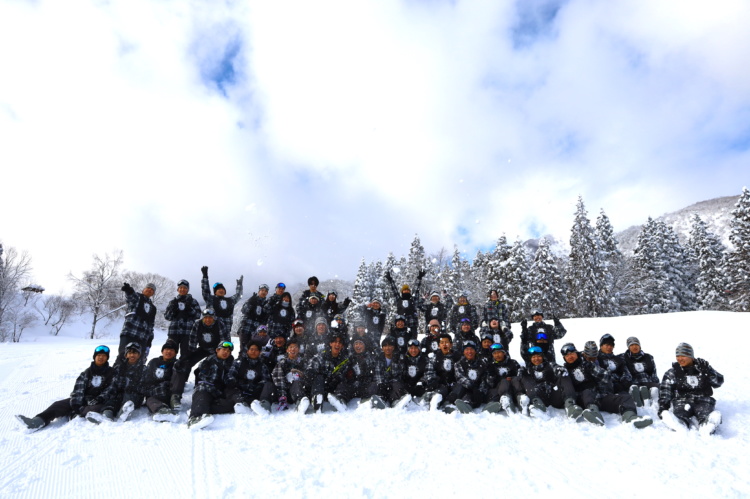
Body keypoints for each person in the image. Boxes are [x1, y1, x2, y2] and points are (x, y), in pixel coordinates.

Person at [16, 346, 117, 431]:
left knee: (95, 408)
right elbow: (78, 390)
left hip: (99, 401)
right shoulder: (86, 373)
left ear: (107, 358)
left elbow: (111, 389)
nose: (101, 358)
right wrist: (77, 405)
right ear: (94, 357)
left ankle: (83, 414)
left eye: (104, 356)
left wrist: (99, 398)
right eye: (99, 355)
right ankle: (36, 422)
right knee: (58, 405)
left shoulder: (111, 372)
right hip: (84, 398)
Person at [561, 343, 652, 428]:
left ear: (577, 354)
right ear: (564, 358)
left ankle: (630, 417)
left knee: (625, 398)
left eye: (572, 353)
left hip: (600, 397)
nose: (570, 357)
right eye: (567, 356)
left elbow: (605, 377)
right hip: (584, 400)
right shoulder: (565, 371)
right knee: (587, 392)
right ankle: (594, 414)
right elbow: (567, 390)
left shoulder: (587, 364)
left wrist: (592, 368)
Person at [170, 308, 230, 411]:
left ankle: (219, 391)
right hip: (202, 348)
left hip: (217, 350)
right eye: (206, 318)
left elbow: (226, 341)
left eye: (210, 318)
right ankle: (176, 394)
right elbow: (192, 341)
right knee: (183, 364)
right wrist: (187, 357)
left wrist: (221, 353)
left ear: (214, 318)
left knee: (219, 367)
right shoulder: (197, 324)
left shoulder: (220, 324)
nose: (208, 320)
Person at [658, 343, 724, 435]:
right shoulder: (673, 372)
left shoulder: (703, 367)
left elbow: (719, 382)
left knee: (704, 413)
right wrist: (663, 406)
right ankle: (680, 424)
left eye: (683, 356)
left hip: (703, 400)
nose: (680, 359)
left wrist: (708, 373)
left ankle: (707, 425)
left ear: (691, 356)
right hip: (682, 400)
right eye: (678, 356)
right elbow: (666, 390)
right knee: (681, 413)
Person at [516, 346, 581, 421]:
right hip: (538, 397)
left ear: (543, 357)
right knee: (525, 377)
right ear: (530, 359)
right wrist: (521, 374)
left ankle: (570, 406)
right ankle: (537, 405)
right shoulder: (527, 370)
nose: (536, 359)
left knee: (564, 375)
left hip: (554, 397)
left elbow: (555, 367)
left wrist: (559, 369)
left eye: (539, 356)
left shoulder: (550, 365)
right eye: (533, 357)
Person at [187, 341, 236, 430]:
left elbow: (230, 377)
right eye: (224, 350)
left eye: (228, 351)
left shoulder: (231, 363)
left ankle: (198, 407)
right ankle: (194, 418)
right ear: (217, 350)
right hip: (206, 388)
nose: (226, 352)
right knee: (203, 394)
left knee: (231, 405)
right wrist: (204, 368)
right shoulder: (209, 360)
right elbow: (200, 372)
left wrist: (231, 381)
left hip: (218, 392)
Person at [225, 342, 275, 416]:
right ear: (247, 351)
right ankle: (241, 404)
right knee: (229, 387)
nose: (253, 351)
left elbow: (266, 379)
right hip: (240, 390)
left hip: (255, 391)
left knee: (269, 385)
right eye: (251, 349)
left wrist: (256, 386)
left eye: (256, 350)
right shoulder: (238, 362)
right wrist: (235, 382)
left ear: (259, 352)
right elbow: (230, 375)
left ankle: (264, 407)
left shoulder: (263, 365)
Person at [308, 332, 352, 412]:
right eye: (335, 342)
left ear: (342, 346)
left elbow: (344, 373)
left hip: (334, 389)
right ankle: (317, 400)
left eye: (339, 343)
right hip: (321, 387)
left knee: (345, 382)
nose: (337, 344)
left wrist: (337, 378)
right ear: (330, 343)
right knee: (318, 377)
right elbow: (311, 366)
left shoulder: (345, 359)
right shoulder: (322, 355)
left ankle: (340, 401)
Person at [116, 282, 157, 363]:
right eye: (148, 288)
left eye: (152, 289)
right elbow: (131, 296)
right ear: (143, 290)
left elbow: (151, 325)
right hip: (129, 333)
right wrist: (129, 290)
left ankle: (136, 376)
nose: (150, 290)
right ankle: (117, 374)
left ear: (153, 293)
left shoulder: (153, 308)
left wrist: (149, 342)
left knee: (140, 360)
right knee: (123, 356)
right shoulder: (137, 298)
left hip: (143, 338)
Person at [142, 340, 180, 422]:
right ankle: (163, 410)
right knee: (150, 400)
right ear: (162, 351)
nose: (168, 351)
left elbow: (177, 381)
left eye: (172, 350)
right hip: (154, 392)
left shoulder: (177, 364)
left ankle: (167, 409)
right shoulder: (154, 362)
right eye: (166, 349)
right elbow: (147, 378)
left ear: (176, 353)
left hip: (168, 391)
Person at [385, 268, 426, 339]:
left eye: (407, 290)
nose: (406, 291)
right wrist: (390, 280)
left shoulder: (413, 299)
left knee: (412, 341)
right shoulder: (399, 299)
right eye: (404, 290)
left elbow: (416, 289)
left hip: (412, 324)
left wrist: (419, 278)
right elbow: (394, 290)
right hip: (401, 324)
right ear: (402, 292)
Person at [163, 279, 201, 355]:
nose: (182, 289)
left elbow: (198, 315)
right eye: (180, 288)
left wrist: (189, 309)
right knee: (170, 354)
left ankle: (184, 367)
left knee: (186, 355)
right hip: (174, 332)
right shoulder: (173, 302)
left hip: (188, 332)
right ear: (178, 289)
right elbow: (167, 317)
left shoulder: (193, 301)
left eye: (185, 288)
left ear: (188, 289)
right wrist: (173, 310)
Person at [200, 266, 243, 333]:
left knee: (227, 344)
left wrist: (239, 285)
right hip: (212, 330)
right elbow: (205, 291)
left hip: (226, 331)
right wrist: (205, 277)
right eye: (219, 289)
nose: (221, 290)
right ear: (215, 292)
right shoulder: (211, 299)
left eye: (222, 289)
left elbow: (238, 295)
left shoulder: (230, 300)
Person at [111, 342, 146, 422]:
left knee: (128, 397)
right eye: (129, 353)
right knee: (111, 398)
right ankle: (107, 414)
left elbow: (145, 387)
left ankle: (122, 414)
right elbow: (113, 383)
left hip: (134, 397)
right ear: (126, 355)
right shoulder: (119, 368)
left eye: (135, 353)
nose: (132, 355)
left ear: (139, 355)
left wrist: (134, 388)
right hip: (119, 395)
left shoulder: (143, 369)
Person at [449, 341, 488, 414]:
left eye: (471, 349)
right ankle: (453, 406)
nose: (469, 352)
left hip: (477, 390)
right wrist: (472, 387)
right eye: (467, 349)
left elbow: (484, 379)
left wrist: (480, 390)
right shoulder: (459, 363)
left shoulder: (482, 363)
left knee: (474, 395)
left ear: (475, 351)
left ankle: (468, 405)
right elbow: (460, 377)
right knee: (461, 388)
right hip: (464, 389)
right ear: (463, 352)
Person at [483, 343, 522, 416]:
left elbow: (520, 375)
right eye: (495, 353)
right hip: (499, 390)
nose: (497, 355)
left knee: (515, 380)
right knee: (503, 382)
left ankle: (520, 400)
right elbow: (490, 382)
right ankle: (503, 401)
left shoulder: (513, 363)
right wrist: (501, 379)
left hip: (514, 389)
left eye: (499, 352)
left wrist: (512, 378)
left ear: (504, 353)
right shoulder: (490, 365)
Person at [272, 339, 310, 413]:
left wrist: (301, 374)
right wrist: (283, 395)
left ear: (299, 350)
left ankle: (301, 403)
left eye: (295, 347)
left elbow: (308, 377)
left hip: (301, 391)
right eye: (291, 347)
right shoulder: (282, 363)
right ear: (287, 350)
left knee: (297, 383)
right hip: (287, 393)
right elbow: (278, 379)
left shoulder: (304, 362)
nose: (293, 349)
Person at [620, 336, 659, 407]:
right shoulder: (623, 357)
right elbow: (625, 373)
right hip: (634, 383)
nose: (634, 347)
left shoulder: (649, 357)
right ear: (628, 347)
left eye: (636, 344)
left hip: (648, 381)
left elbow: (654, 373)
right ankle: (639, 405)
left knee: (659, 387)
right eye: (631, 345)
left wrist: (656, 383)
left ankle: (656, 404)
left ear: (639, 346)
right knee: (635, 389)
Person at [400, 339, 438, 408]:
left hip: (420, 386)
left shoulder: (425, 359)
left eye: (416, 348)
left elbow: (428, 373)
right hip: (407, 385)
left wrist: (422, 381)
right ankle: (402, 400)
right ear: (408, 349)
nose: (413, 350)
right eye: (411, 348)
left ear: (419, 349)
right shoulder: (403, 359)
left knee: (434, 381)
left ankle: (427, 399)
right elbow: (400, 373)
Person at [372, 337, 407, 409]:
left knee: (397, 387)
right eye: (385, 346)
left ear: (393, 347)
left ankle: (394, 401)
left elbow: (399, 374)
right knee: (377, 386)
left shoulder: (398, 358)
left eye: (390, 346)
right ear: (382, 348)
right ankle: (381, 400)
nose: (387, 348)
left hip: (394, 382)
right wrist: (382, 383)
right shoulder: (379, 358)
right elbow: (378, 374)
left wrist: (391, 382)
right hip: (383, 382)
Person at [432, 333, 462, 411]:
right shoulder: (435, 357)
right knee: (440, 391)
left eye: (446, 342)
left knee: (459, 388)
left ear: (451, 344)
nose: (444, 344)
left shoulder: (457, 356)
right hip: (441, 383)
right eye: (442, 343)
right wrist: (435, 380)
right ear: (439, 345)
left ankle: (449, 403)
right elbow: (429, 371)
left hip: (454, 383)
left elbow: (461, 372)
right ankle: (435, 401)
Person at [237, 284, 270, 352]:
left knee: (255, 350)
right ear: (259, 291)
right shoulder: (252, 299)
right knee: (244, 350)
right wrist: (250, 303)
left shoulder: (267, 304)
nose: (263, 292)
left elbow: (266, 318)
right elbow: (244, 310)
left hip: (257, 332)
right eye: (262, 290)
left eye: (265, 291)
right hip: (246, 328)